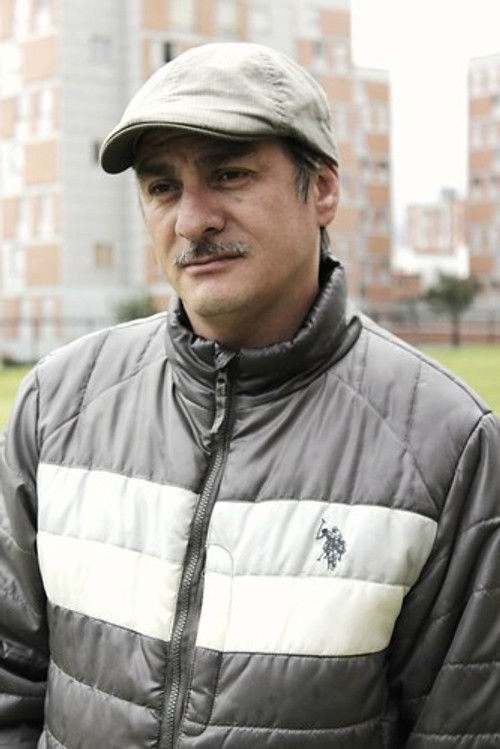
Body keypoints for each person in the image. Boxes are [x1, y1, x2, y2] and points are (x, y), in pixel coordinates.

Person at [0, 42, 499, 749]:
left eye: (229, 174)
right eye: (162, 187)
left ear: (322, 189)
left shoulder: (449, 445)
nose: (192, 220)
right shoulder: (57, 404)